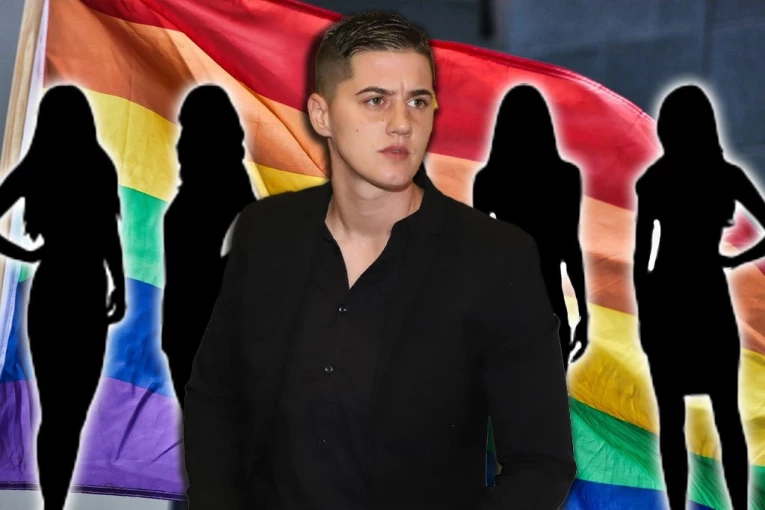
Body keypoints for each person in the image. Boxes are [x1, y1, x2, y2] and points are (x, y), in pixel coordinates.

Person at [183, 11, 576, 510]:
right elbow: (215, 397)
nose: (402, 124)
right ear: (322, 115)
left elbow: (541, 463)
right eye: (375, 100)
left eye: (418, 101)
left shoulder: (495, 258)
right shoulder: (267, 233)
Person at [633, 84, 765, 510]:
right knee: (727, 415)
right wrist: (735, 260)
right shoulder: (726, 176)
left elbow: (641, 259)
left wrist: (645, 312)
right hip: (709, 298)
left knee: (672, 420)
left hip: (666, 303)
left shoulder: (654, 181)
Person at [0, 85, 126, 510]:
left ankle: (52, 506)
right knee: (70, 414)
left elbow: (109, 233)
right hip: (87, 290)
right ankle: (54, 504)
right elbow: (108, 234)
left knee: (56, 411)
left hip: (53, 287)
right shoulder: (98, 166)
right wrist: (119, 286)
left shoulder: (37, 167)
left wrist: (25, 254)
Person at [473, 84, 590, 371]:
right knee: (551, 394)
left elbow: (481, 256)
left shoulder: (488, 180)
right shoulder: (566, 176)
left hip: (506, 305)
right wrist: (584, 313)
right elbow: (570, 248)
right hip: (549, 305)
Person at [162, 84, 256, 411]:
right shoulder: (190, 198)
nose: (180, 145)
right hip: (186, 341)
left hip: (212, 346)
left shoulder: (234, 199)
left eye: (189, 132)